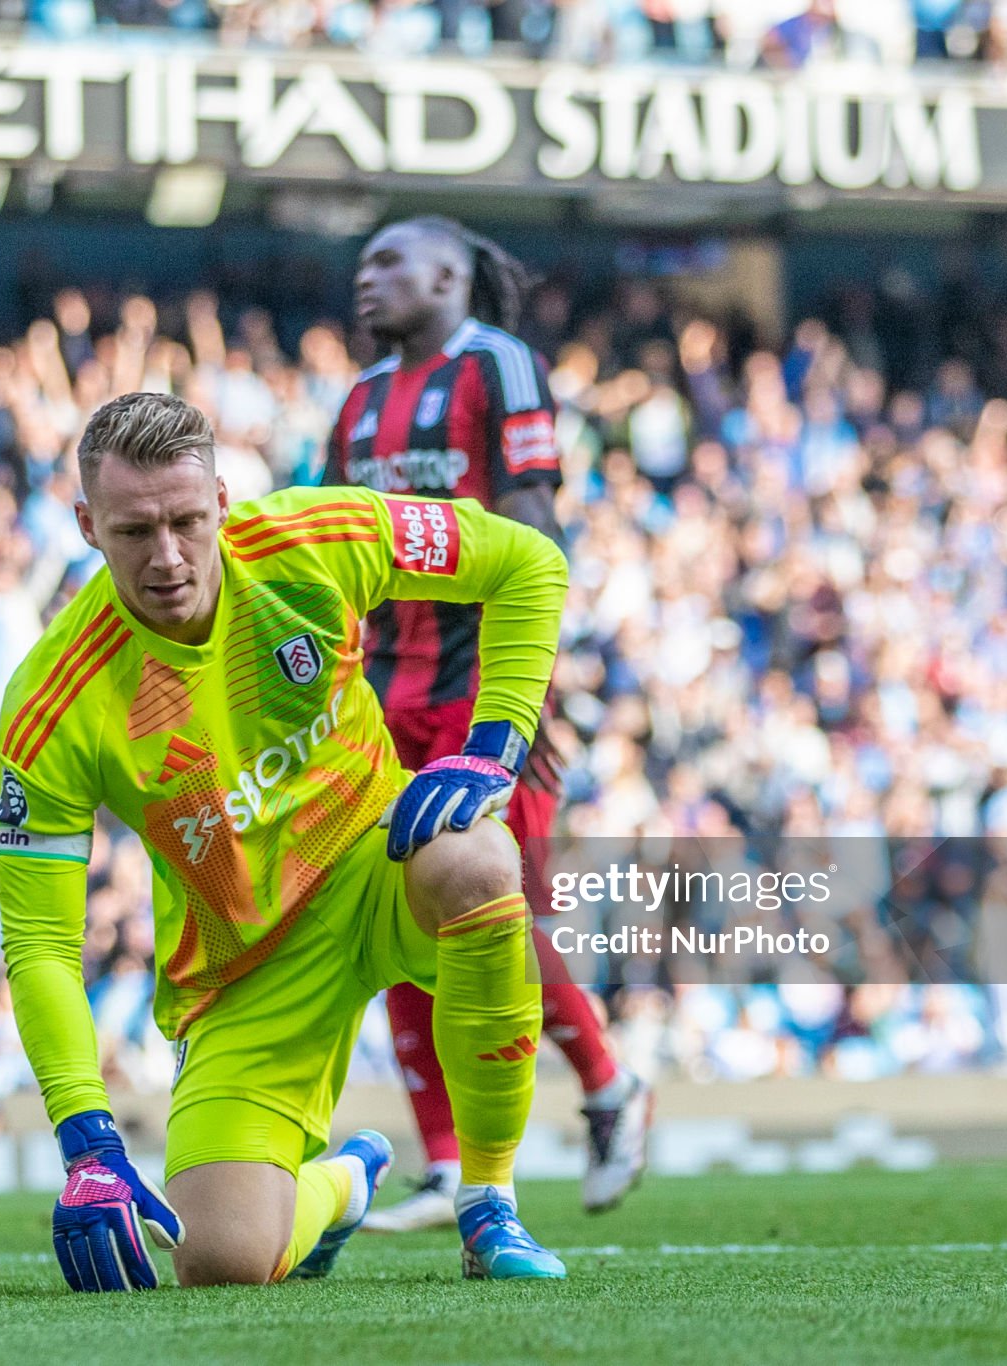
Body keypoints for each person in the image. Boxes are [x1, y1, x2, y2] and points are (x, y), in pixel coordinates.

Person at [0, 391, 569, 1289]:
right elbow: (40, 943)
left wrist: (494, 749)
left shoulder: (314, 539)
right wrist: (87, 1138)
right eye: (134, 531)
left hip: (377, 859)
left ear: (223, 502)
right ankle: (344, 1186)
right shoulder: (52, 703)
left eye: (187, 520)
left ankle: (487, 1202)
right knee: (220, 1264)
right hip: (246, 965)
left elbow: (528, 562)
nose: (170, 557)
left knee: (481, 859)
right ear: (85, 526)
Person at [327, 216, 653, 1228]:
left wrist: (530, 689)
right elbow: (336, 546)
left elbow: (534, 524)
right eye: (362, 264)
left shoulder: (499, 366)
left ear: (447, 273)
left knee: (486, 912)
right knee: (395, 917)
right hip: (384, 696)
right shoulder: (355, 401)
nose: (365, 280)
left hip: (481, 692)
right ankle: (441, 1161)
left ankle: (607, 1087)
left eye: (386, 262)